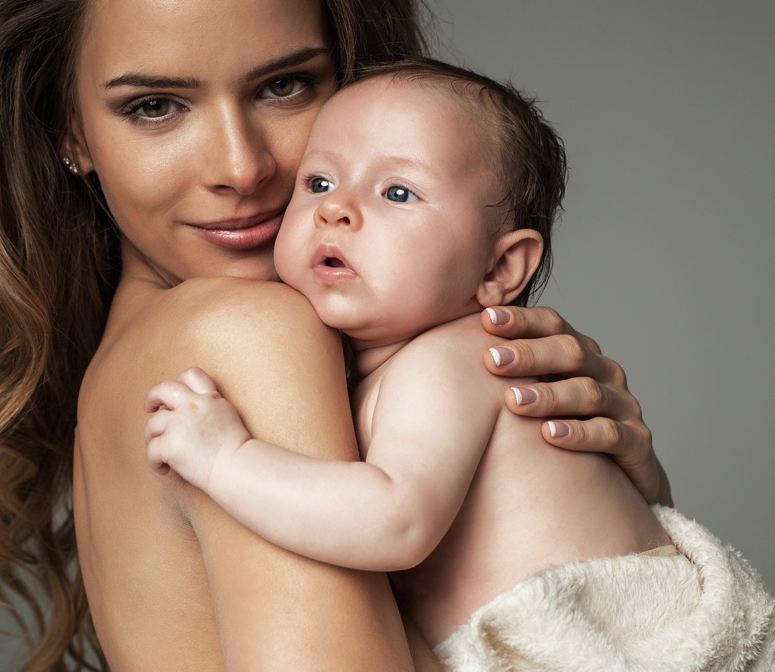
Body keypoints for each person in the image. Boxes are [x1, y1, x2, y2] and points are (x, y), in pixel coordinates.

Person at [0, 0, 671, 669]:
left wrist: (613, 501)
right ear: (70, 133)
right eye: (155, 105)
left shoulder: (128, 356)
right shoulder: (249, 334)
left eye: (284, 86)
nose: (241, 168)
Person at [144, 60, 775, 670]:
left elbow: (395, 522)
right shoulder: (366, 371)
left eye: (397, 192)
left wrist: (226, 458)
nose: (336, 210)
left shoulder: (457, 357)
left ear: (499, 269)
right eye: (319, 182)